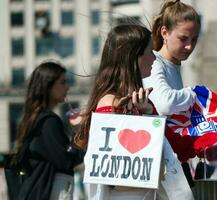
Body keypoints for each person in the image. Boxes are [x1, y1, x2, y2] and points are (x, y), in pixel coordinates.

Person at [77, 24, 195, 200]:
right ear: (135, 57)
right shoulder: (110, 103)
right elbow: (110, 168)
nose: (155, 59)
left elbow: (175, 144)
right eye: (150, 51)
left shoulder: (139, 102)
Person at [143, 0, 217, 185]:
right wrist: (193, 94)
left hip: (173, 156)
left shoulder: (174, 65)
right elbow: (164, 104)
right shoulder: (154, 62)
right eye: (183, 38)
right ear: (164, 32)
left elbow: (180, 122)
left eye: (194, 39)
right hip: (158, 162)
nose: (189, 46)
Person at [7, 61, 84, 200]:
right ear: (48, 86)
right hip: (47, 192)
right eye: (62, 82)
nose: (67, 87)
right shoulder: (48, 122)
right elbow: (66, 162)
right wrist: (79, 133)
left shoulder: (33, 119)